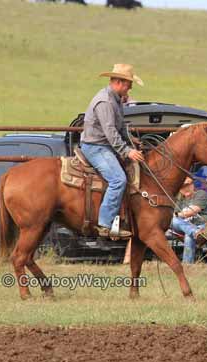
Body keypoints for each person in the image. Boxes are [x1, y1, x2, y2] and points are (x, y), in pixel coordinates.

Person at [80, 64, 145, 238]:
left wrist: (131, 141)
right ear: (118, 82)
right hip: (95, 146)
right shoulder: (106, 102)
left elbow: (120, 126)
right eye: (128, 84)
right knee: (118, 179)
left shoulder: (115, 99)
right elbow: (110, 131)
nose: (130, 88)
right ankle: (105, 224)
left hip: (104, 145)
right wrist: (127, 151)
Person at [170, 177, 207, 264]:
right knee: (172, 221)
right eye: (182, 187)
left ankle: (187, 264)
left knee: (188, 235)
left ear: (192, 185)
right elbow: (174, 216)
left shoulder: (201, 194)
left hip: (204, 226)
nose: (186, 188)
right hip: (194, 229)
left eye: (188, 185)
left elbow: (192, 211)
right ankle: (195, 233)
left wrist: (177, 215)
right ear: (180, 189)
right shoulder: (180, 200)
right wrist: (176, 215)